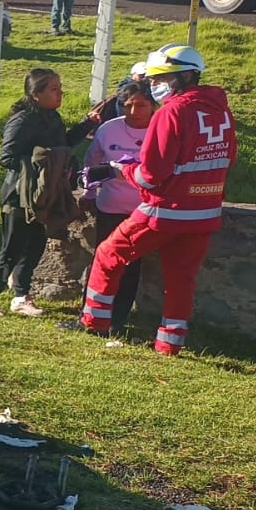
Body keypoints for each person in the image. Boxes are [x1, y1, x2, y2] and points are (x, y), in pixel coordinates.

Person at [73, 45, 236, 354]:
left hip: (165, 210)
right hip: (205, 212)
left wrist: (120, 171)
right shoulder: (221, 111)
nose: (154, 85)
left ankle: (93, 321)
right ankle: (169, 344)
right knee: (180, 277)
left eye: (162, 78)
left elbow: (151, 175)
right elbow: (228, 159)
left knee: (108, 254)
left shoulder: (172, 112)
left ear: (186, 76)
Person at [0, 68, 91, 318]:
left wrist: (87, 125)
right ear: (36, 93)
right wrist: (41, 162)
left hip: (46, 196)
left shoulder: (53, 118)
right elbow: (7, 157)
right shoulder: (23, 119)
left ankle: (21, 296)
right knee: (12, 247)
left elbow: (63, 144)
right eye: (54, 89)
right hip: (20, 194)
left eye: (60, 88)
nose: (61, 93)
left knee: (35, 246)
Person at [76, 80, 155, 336]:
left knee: (131, 265)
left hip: (143, 209)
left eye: (141, 105)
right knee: (101, 260)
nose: (133, 112)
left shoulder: (161, 129)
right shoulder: (109, 130)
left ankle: (117, 320)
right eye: (127, 105)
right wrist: (88, 192)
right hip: (109, 206)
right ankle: (90, 314)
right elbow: (92, 160)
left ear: (153, 105)